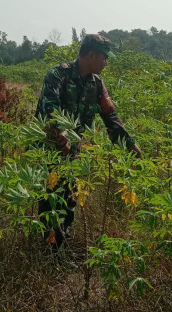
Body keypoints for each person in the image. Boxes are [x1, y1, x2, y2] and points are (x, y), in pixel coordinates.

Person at [35, 33, 142, 252]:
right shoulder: (58, 74)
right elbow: (49, 110)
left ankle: (60, 246)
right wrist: (61, 134)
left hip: (72, 151)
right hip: (49, 149)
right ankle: (50, 249)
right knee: (51, 199)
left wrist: (129, 143)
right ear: (91, 55)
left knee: (70, 198)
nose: (106, 63)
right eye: (104, 57)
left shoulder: (97, 84)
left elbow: (110, 116)